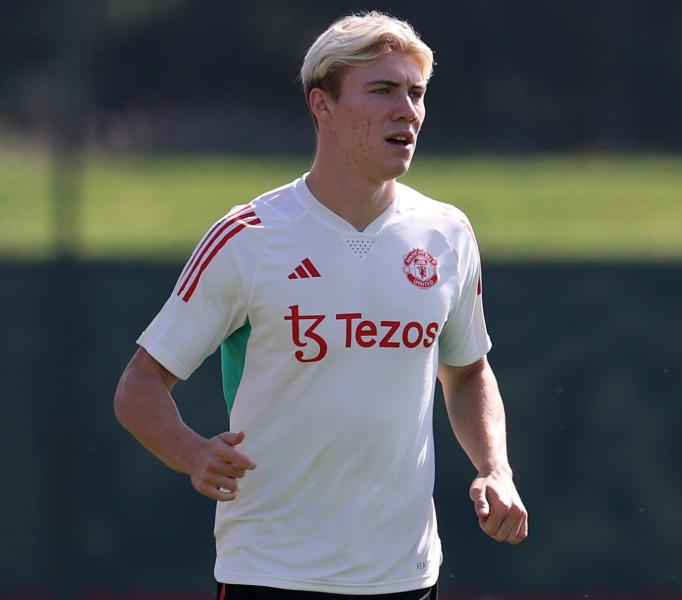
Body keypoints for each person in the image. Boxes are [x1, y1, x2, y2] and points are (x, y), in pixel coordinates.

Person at [113, 11, 527, 600]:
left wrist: (495, 468)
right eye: (382, 90)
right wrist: (191, 454)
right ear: (322, 105)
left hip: (405, 575)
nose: (405, 111)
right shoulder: (250, 235)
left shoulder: (447, 233)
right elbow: (140, 386)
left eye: (415, 93)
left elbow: (467, 373)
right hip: (270, 572)